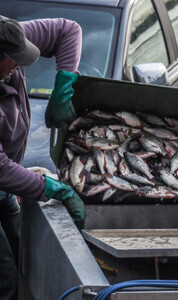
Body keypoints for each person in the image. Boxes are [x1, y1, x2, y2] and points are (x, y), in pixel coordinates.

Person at [0, 16, 85, 299]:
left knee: (20, 251)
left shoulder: (10, 34)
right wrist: (49, 188)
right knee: (5, 274)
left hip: (3, 192)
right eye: (14, 60)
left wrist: (63, 87)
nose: (20, 65)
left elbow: (68, 30)